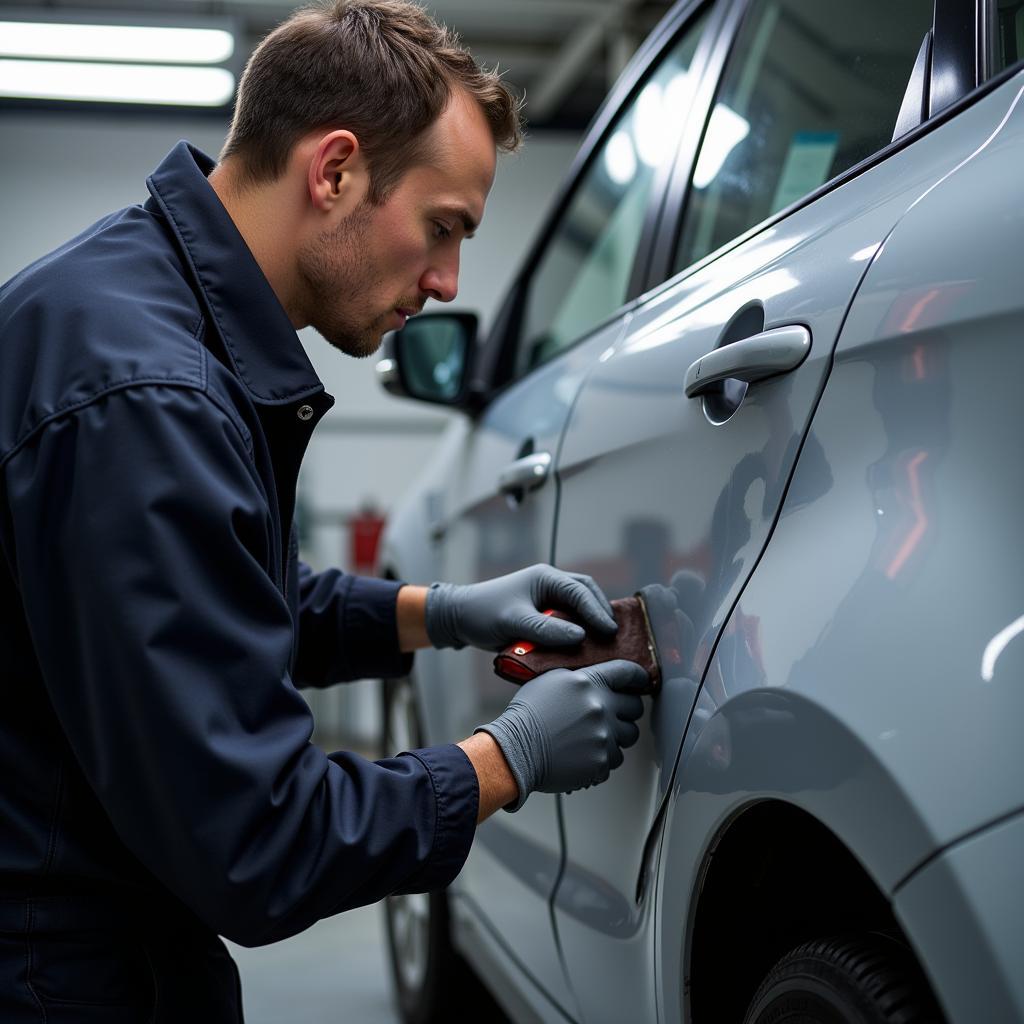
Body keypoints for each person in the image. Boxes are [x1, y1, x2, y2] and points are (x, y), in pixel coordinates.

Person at [0, 1, 648, 1018]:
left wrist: (436, 611)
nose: (445, 281)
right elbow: (255, 840)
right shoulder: (149, 395)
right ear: (334, 170)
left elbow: (212, 600)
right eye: (443, 228)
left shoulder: (132, 309)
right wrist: (503, 758)